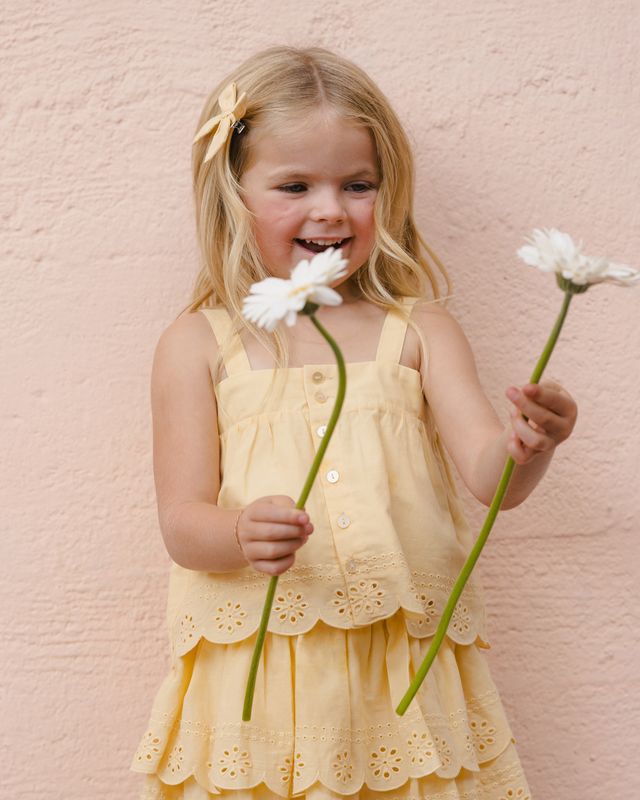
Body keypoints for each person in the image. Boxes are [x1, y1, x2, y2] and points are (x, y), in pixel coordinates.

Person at [130, 46, 577, 800]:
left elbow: (490, 478)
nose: (331, 209)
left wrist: (529, 445)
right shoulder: (200, 345)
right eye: (295, 185)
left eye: (357, 185)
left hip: (402, 673)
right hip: (261, 673)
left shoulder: (421, 331)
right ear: (231, 193)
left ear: (388, 191)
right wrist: (238, 533)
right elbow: (181, 522)